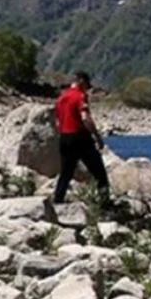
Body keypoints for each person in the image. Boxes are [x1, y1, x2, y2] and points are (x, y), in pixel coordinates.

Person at [52, 71, 110, 205]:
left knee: (66, 174)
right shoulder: (80, 96)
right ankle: (105, 204)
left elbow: (57, 121)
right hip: (80, 137)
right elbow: (85, 118)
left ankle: (58, 202)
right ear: (81, 81)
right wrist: (97, 137)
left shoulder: (61, 98)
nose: (87, 89)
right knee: (99, 173)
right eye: (87, 85)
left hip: (64, 137)